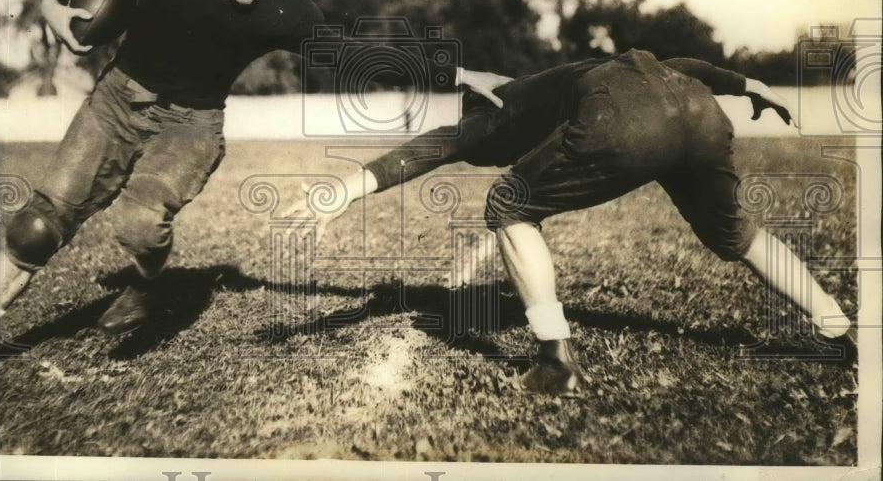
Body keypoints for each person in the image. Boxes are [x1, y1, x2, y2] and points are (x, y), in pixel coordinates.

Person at [0, 0, 508, 377]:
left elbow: (357, 53)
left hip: (191, 123)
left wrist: (456, 73)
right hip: (117, 99)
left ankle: (146, 286)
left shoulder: (283, 11)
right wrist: (49, 2)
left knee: (139, 223)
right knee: (38, 226)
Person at [289, 49, 857, 395]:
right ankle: (837, 330)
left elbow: (425, 149)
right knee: (738, 234)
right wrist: (744, 84)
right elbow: (679, 67)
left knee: (509, 204)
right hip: (698, 110)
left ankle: (554, 362)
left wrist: (340, 191)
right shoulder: (568, 78)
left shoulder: (494, 110)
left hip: (623, 116)